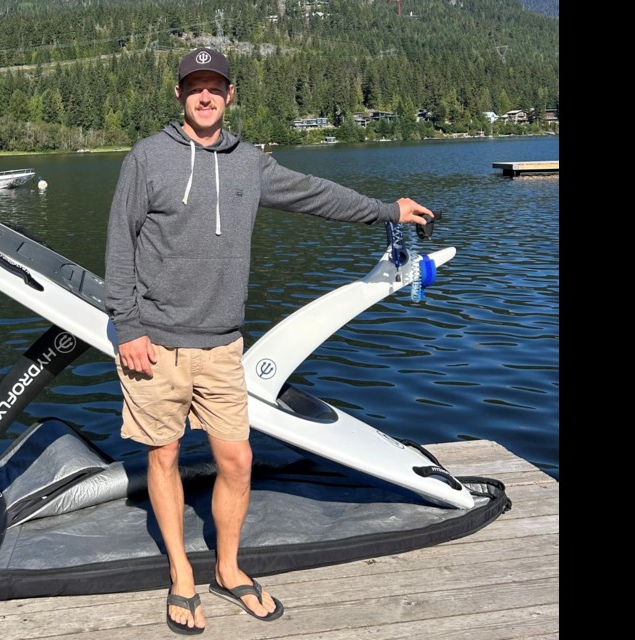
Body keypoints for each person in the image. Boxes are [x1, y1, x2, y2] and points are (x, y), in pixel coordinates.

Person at [104, 47, 434, 635]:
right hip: (154, 343)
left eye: (215, 87)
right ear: (180, 94)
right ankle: (181, 572)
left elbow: (317, 195)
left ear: (230, 96)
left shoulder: (249, 163)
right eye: (194, 86)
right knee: (164, 455)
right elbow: (119, 246)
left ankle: (228, 570)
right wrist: (127, 328)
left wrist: (386, 209)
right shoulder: (146, 157)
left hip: (222, 345)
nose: (204, 96)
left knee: (237, 458)